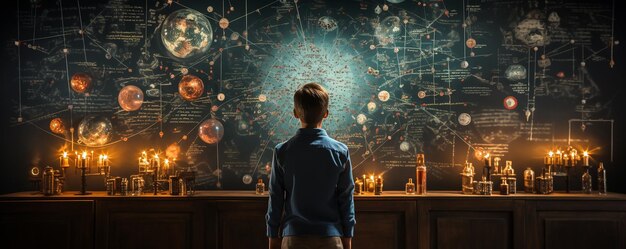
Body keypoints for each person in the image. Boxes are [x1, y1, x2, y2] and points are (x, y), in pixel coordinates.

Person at [266, 83, 355, 249]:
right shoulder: (340, 152)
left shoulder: (282, 151)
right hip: (331, 238)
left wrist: (272, 237)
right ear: (326, 114)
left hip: (293, 238)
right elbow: (346, 198)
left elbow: (276, 198)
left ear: (295, 113)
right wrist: (348, 238)